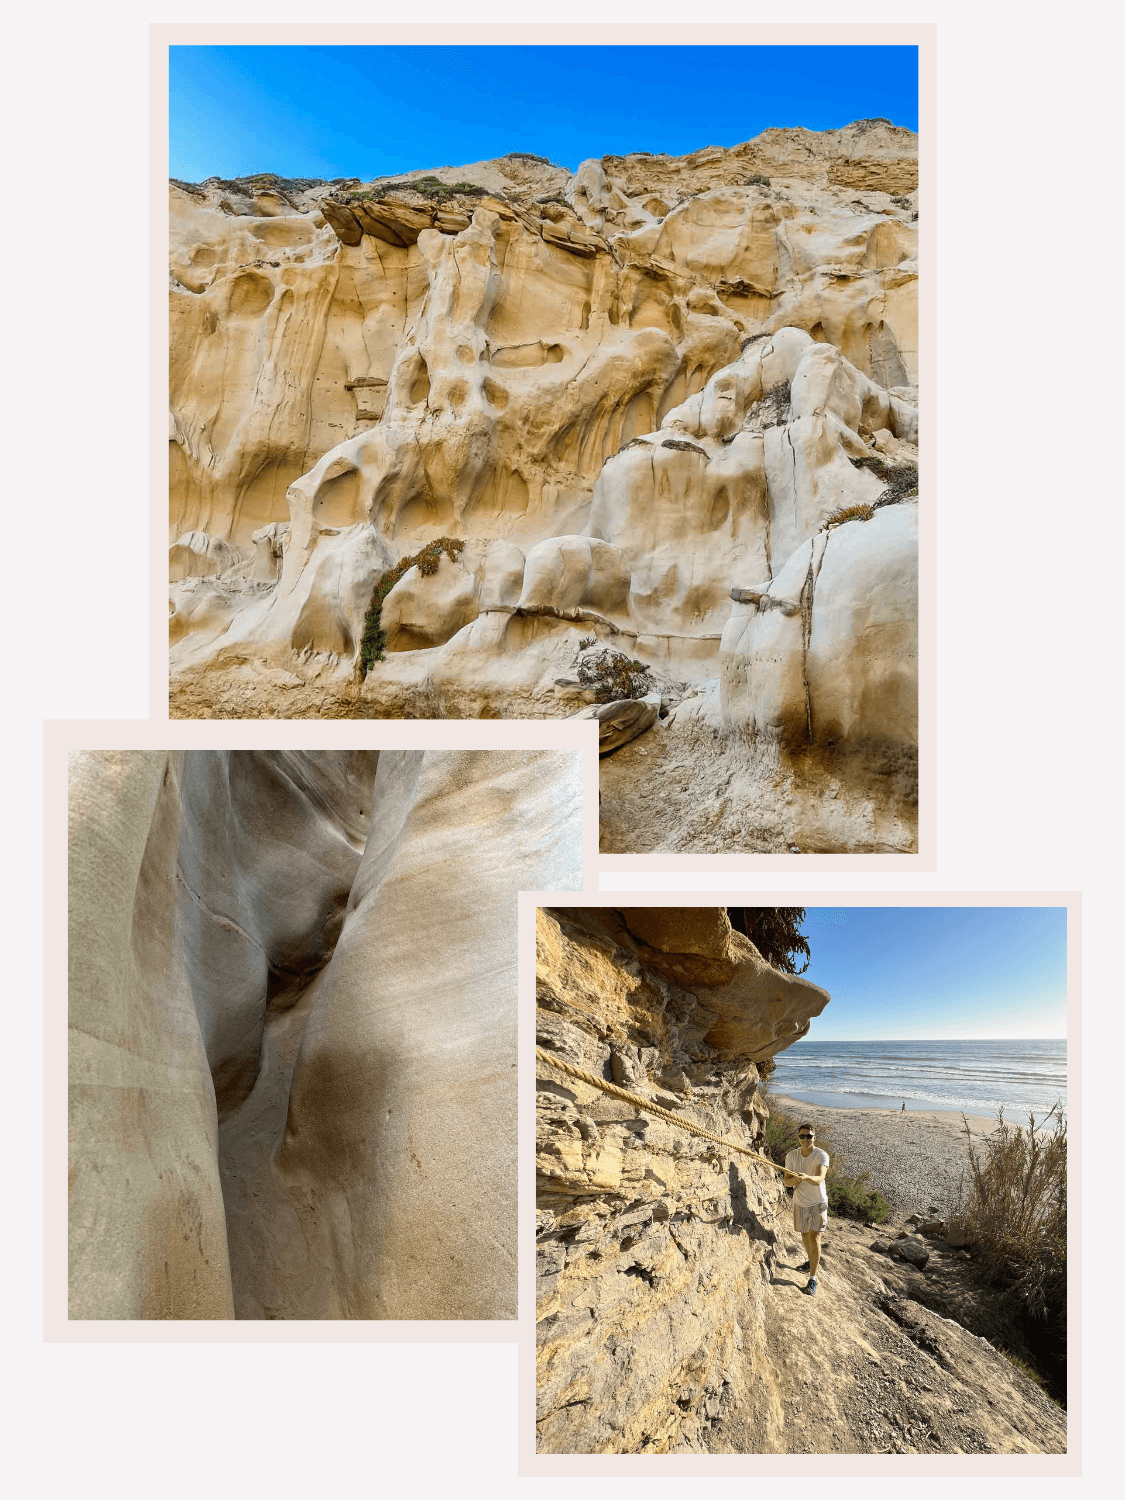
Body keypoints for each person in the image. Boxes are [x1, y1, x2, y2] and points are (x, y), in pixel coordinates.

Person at [784, 1123, 830, 1296]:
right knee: (804, 1236)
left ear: (814, 1138)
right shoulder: (791, 1156)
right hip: (800, 1202)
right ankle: (811, 1262)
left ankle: (813, 1278)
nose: (805, 1139)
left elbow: (819, 1179)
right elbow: (786, 1181)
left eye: (809, 1136)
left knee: (815, 1238)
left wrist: (805, 1177)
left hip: (818, 1202)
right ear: (798, 1137)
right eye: (802, 1136)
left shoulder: (821, 1155)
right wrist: (794, 1181)